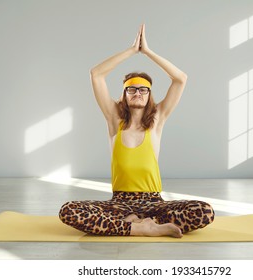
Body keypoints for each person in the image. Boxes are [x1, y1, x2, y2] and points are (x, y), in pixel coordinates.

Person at [59, 24, 214, 238]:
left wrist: (147, 52)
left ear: (150, 95)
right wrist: (132, 50)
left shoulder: (157, 120)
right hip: (119, 203)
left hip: (154, 204)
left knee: (204, 212)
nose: (138, 93)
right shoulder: (114, 120)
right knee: (69, 211)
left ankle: (132, 225)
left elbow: (180, 79)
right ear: (124, 95)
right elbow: (96, 74)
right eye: (131, 89)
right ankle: (142, 227)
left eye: (143, 90)